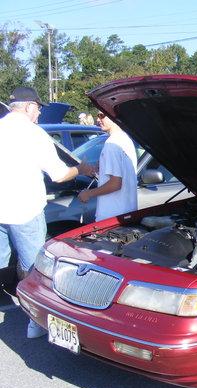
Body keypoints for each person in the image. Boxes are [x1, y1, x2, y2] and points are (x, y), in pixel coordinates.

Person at [0, 87, 95, 338]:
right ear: (30, 107)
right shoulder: (33, 134)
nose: (39, 114)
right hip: (25, 210)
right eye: (39, 109)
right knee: (33, 268)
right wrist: (82, 169)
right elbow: (59, 174)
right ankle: (35, 322)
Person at [78, 112, 138, 221]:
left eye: (102, 116)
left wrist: (88, 193)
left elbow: (115, 184)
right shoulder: (126, 140)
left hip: (111, 217)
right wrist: (98, 170)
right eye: (98, 116)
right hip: (127, 213)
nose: (98, 120)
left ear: (113, 117)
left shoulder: (111, 145)